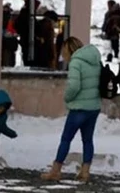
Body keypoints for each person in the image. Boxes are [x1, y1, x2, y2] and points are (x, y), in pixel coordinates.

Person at [42, 37, 103, 183]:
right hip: (93, 107)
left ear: (69, 50)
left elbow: (74, 86)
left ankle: (56, 171)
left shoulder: (76, 62)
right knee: (87, 140)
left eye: (64, 51)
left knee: (66, 139)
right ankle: (85, 172)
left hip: (78, 108)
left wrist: (67, 98)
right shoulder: (95, 60)